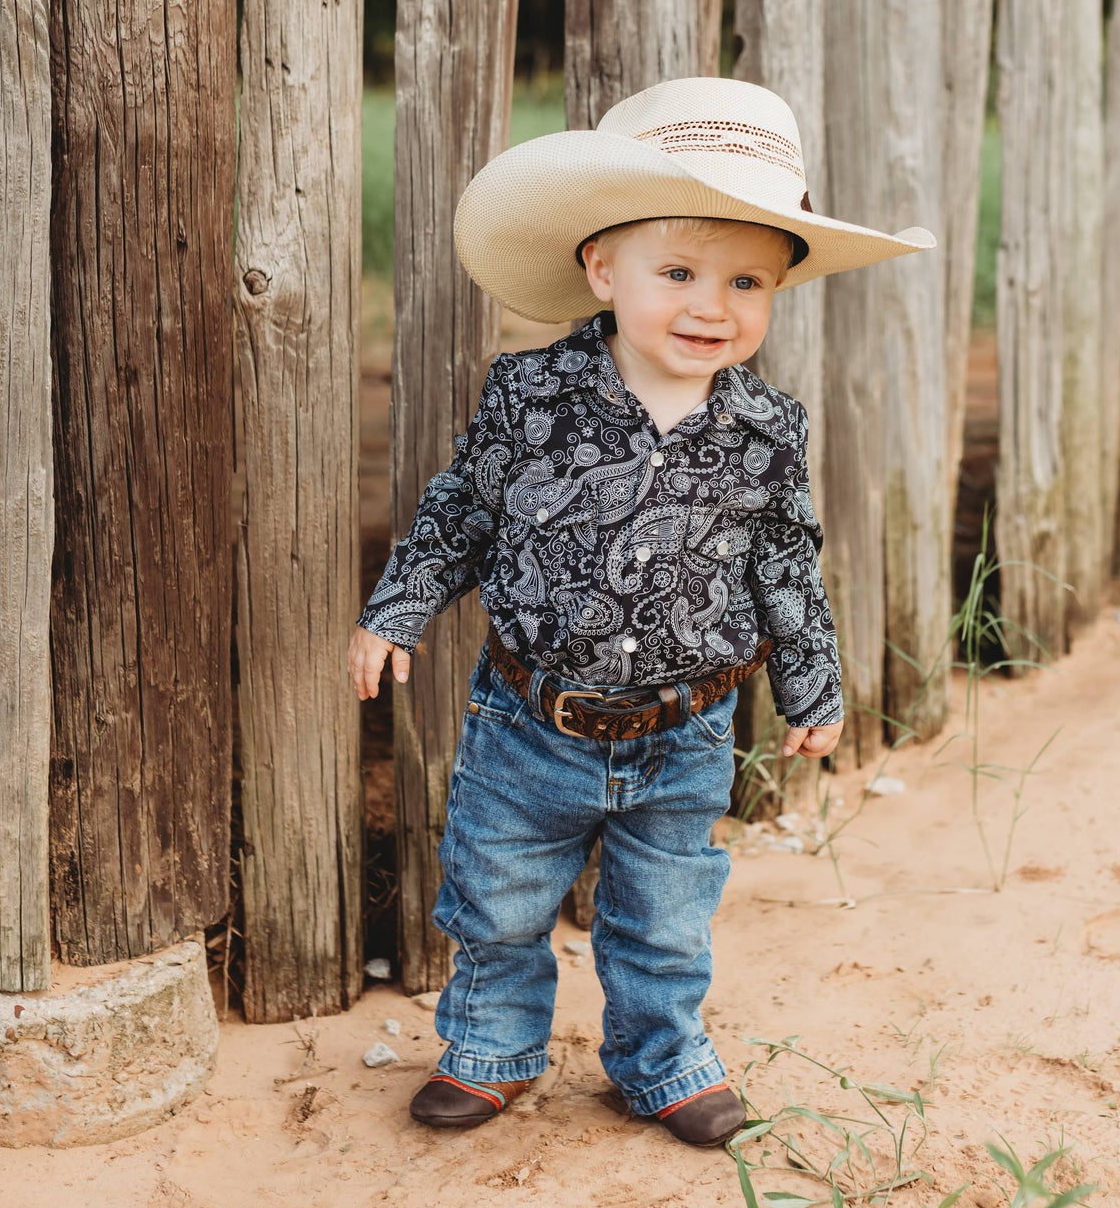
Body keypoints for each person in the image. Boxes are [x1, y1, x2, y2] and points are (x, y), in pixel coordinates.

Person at [347, 76, 933, 1148]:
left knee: (664, 916)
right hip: (531, 723)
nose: (712, 305)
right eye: (678, 271)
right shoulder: (529, 396)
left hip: (687, 728)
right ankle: (491, 1044)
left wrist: (810, 681)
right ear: (599, 268)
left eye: (746, 280)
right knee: (496, 900)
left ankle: (660, 1055)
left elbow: (784, 560)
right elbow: (462, 511)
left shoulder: (764, 426)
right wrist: (395, 611)